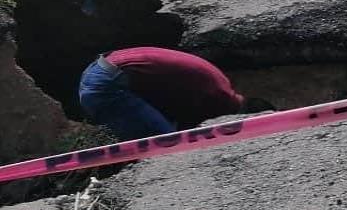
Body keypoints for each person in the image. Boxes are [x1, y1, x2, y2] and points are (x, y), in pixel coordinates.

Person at [78, 47, 276, 141]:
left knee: (162, 135)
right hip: (107, 84)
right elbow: (190, 131)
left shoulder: (219, 84)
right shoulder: (219, 99)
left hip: (101, 71)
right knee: (169, 146)